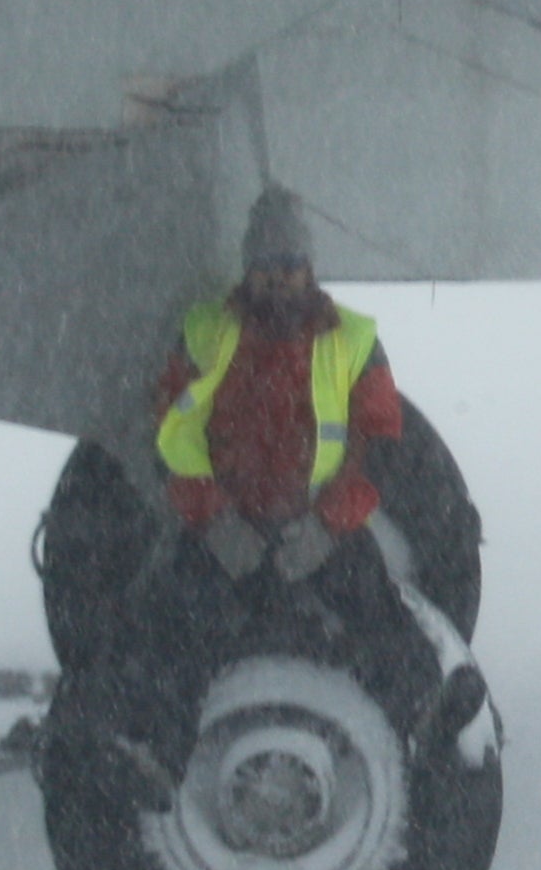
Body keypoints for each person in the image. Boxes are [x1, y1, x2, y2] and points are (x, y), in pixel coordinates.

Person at [106, 185, 439, 777]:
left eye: (290, 266)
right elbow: (168, 434)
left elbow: (383, 446)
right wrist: (213, 520)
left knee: (386, 628)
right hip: (228, 525)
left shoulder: (353, 341)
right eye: (266, 267)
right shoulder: (207, 331)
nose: (279, 280)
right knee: (168, 629)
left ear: (309, 268)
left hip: (317, 524)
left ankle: (424, 730)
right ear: (247, 268)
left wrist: (329, 526)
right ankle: (154, 756)